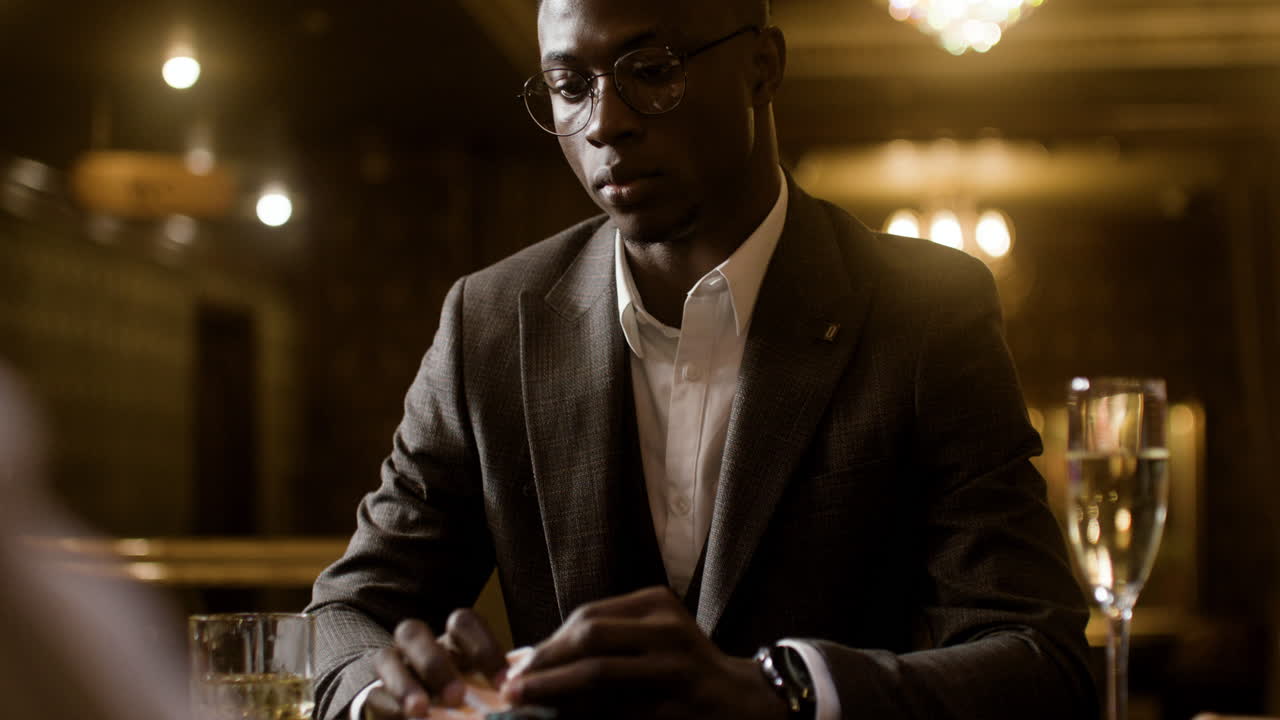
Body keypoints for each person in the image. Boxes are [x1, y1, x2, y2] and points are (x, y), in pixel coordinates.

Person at [308, 0, 1097, 718]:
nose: (604, 122)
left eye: (651, 72)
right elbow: (347, 614)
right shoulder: (490, 323)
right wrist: (384, 687)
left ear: (764, 67)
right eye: (569, 83)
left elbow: (1042, 662)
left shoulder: (925, 312)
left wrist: (778, 689)